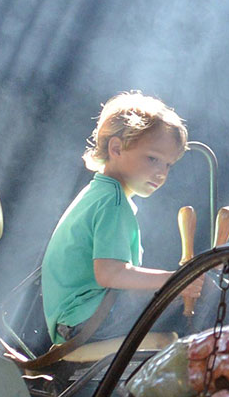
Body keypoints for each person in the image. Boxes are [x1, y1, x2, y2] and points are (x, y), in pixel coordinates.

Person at [42, 91, 201, 349]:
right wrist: (177, 279)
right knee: (208, 291)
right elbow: (110, 273)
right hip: (88, 322)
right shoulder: (112, 201)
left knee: (195, 289)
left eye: (168, 165)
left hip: (75, 322)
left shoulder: (101, 193)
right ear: (116, 148)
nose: (161, 173)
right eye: (153, 159)